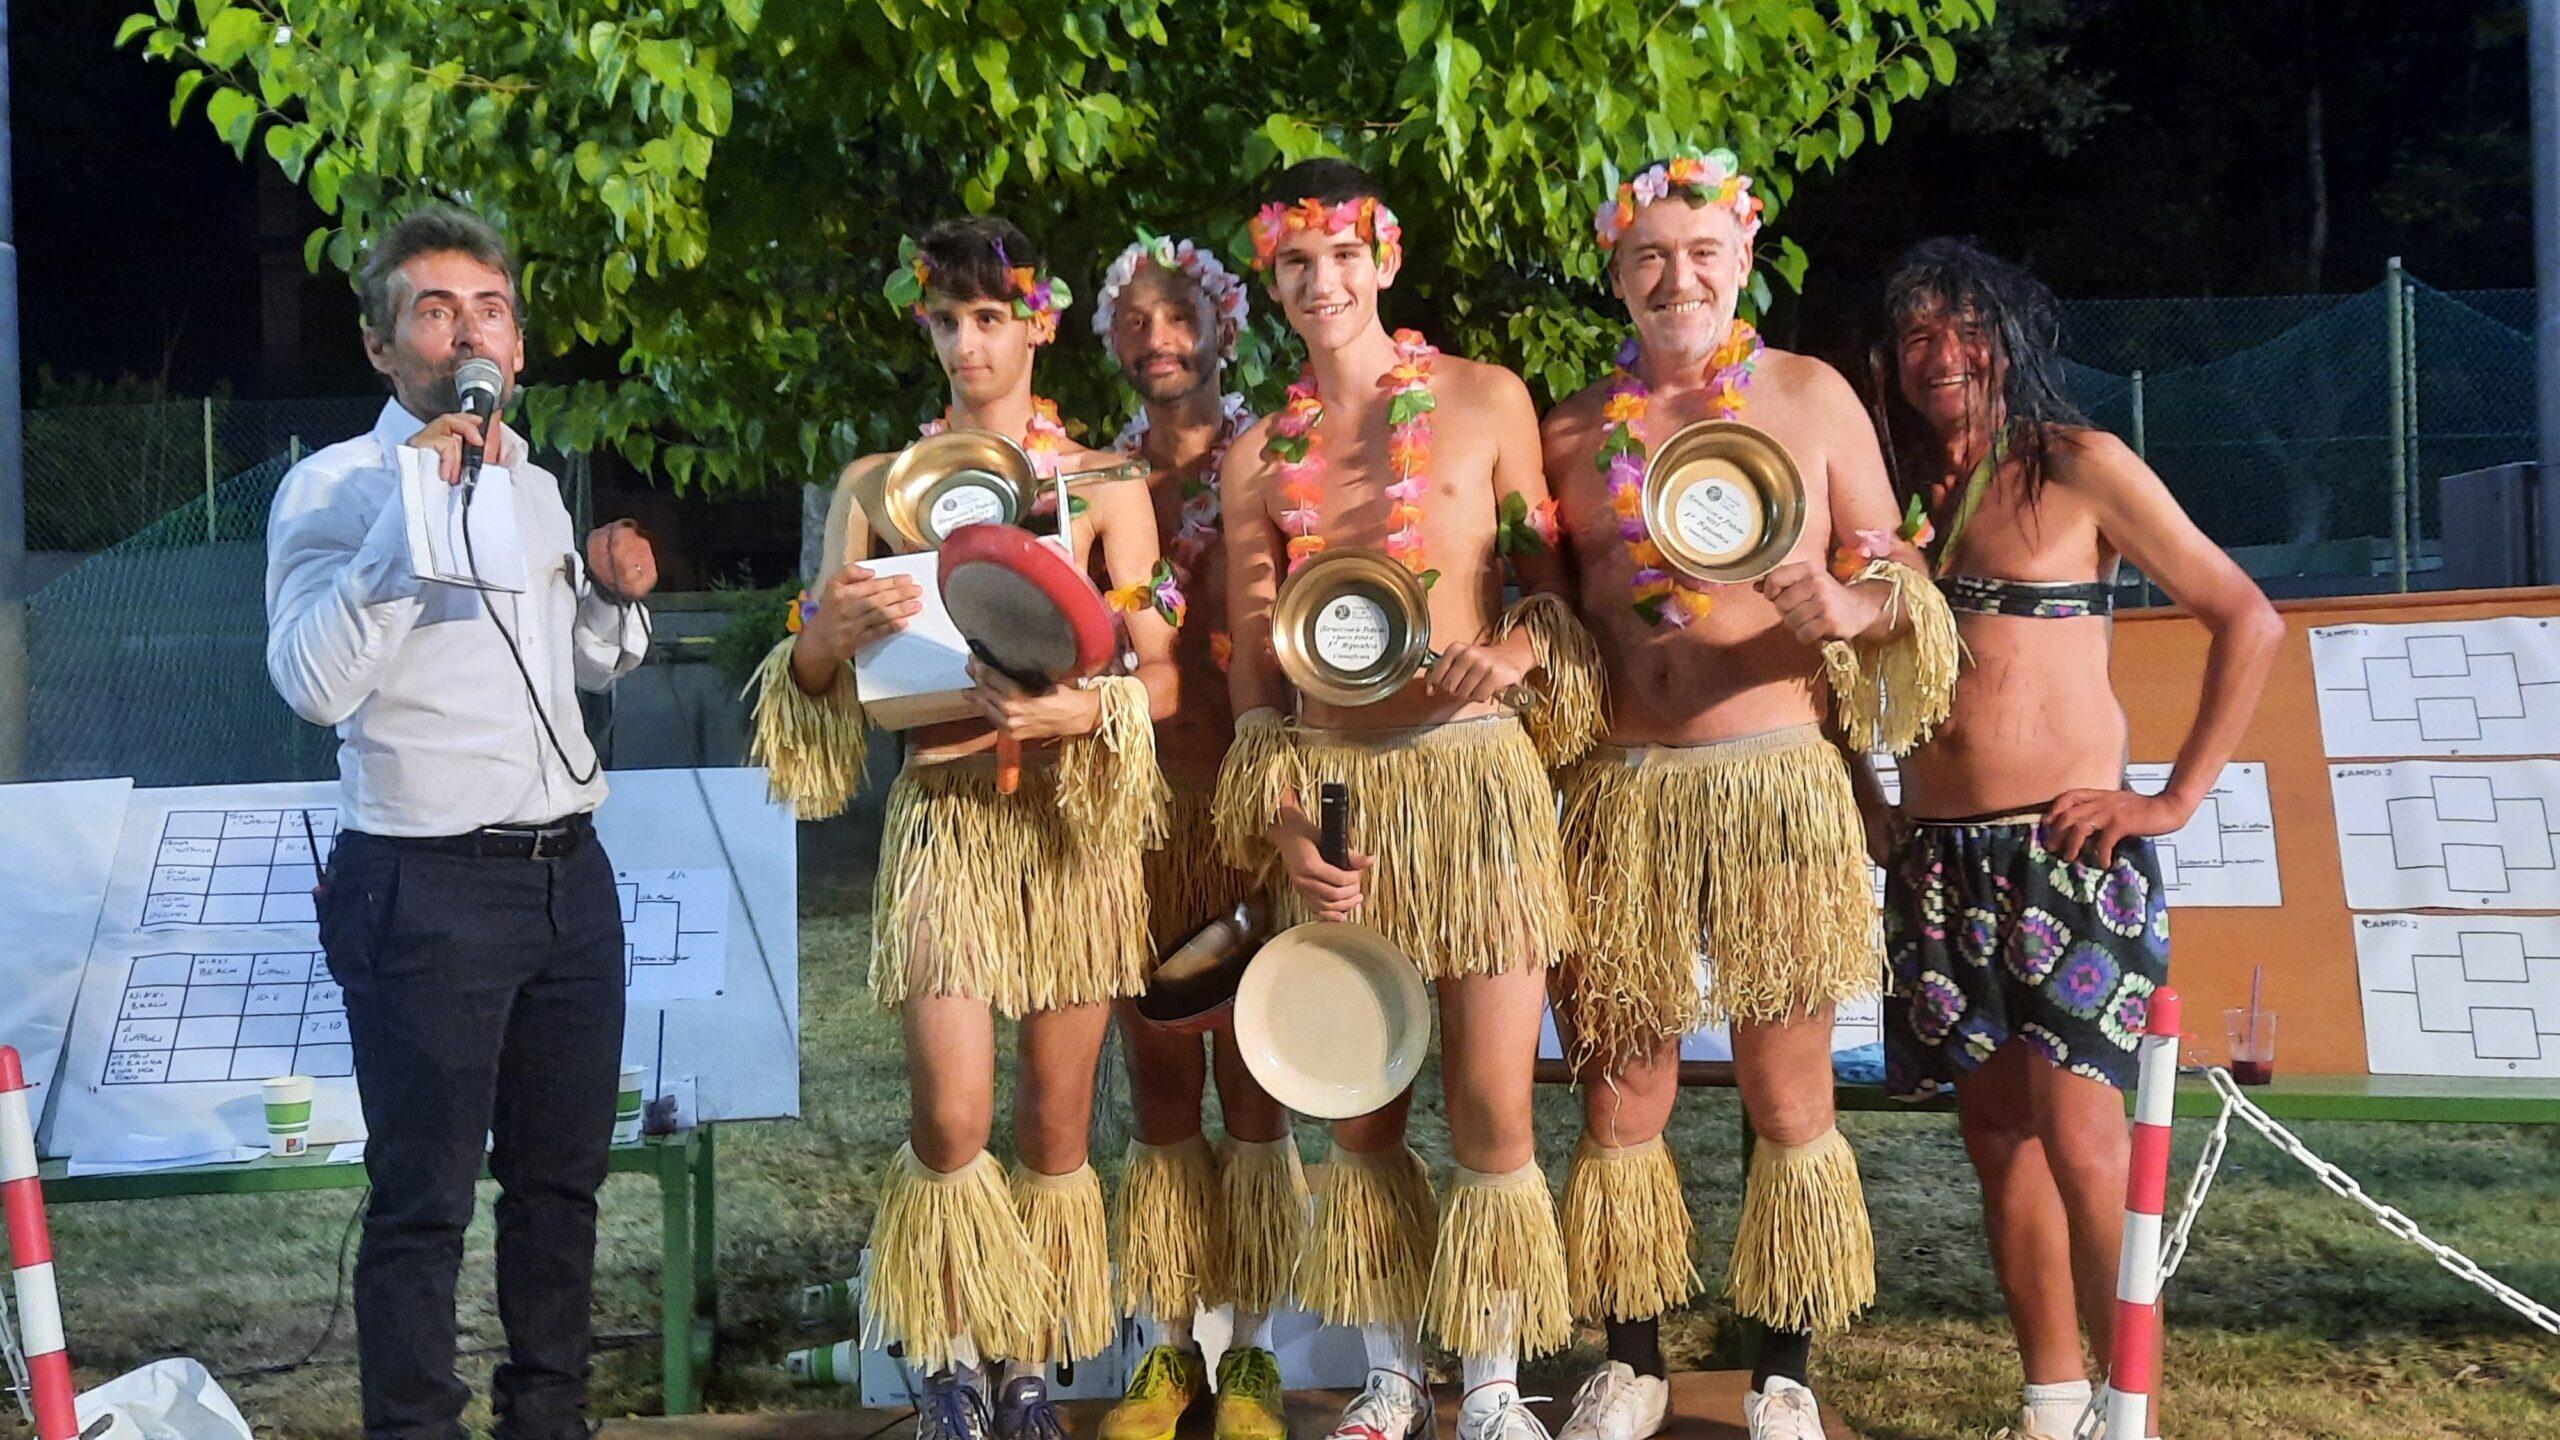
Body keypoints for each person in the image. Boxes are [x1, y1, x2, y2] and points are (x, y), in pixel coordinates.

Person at [1537, 150, 1961, 1440]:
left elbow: (1903, 593)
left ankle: (1783, 1371)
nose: (1678, 277)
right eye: (1649, 255)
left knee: (1790, 1092)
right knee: (1623, 1091)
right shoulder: (1566, 431)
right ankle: (1629, 1360)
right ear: (1616, 272)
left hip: (1776, 779)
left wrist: (1845, 603)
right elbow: (1539, 612)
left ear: (1742, 255)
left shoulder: (1810, 396)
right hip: (1622, 788)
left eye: (1701, 250)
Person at [748, 217, 1180, 1440]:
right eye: (946, 319)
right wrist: (826, 635)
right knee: (948, 1119)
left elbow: (1163, 678)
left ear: (1037, 324)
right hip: (942, 819)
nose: (967, 343)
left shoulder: (1105, 483)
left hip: (1068, 834)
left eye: (991, 317)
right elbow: (816, 673)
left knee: (1054, 1123)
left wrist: (1071, 710)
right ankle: (946, 1359)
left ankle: (1029, 1365)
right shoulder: (873, 488)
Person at [1214, 158, 1607, 1440]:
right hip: (1333, 789)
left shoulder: (1486, 398)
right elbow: (1251, 685)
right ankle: (1391, 1378)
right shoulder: (1252, 457)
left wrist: (1518, 649)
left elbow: (1562, 597)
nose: (1321, 283)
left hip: (1476, 776)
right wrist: (1279, 820)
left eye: (1341, 256)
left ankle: (1490, 1386)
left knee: (1494, 1104)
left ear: (1385, 257)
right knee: (1359, 1100)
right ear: (1271, 281)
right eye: (1293, 263)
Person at [1869, 237, 2281, 1440]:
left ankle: (2127, 1411)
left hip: (2068, 860)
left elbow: (2243, 616)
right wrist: (1869, 788)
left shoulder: (2077, 465)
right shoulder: (1892, 497)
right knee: (1998, 1138)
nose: (1941, 356)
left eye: (1965, 329)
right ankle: (2053, 1402)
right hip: (1938, 866)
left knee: (2085, 1138)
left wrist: (2167, 800)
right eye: (1915, 336)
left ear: (2013, 340)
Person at [264, 202, 656, 1440]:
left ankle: (550, 1421)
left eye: (487, 309)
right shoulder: (332, 489)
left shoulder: (538, 484)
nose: (463, 332)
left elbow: (575, 676)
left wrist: (609, 602)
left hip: (566, 879)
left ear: (519, 346)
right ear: (384, 348)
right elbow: (314, 686)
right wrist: (405, 522)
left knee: (562, 1189)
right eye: (433, 311)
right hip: (424, 887)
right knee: (424, 1200)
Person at [1086, 233, 1301, 1440]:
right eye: (1136, 320)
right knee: (1164, 1081)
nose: (1160, 339)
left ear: (1225, 328)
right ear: (1111, 339)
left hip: (1256, 798)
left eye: (1182, 318)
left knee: (1260, 1078)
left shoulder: (1279, 460)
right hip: (1138, 808)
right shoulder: (1084, 477)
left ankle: (1257, 1360)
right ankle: (1171, 1353)